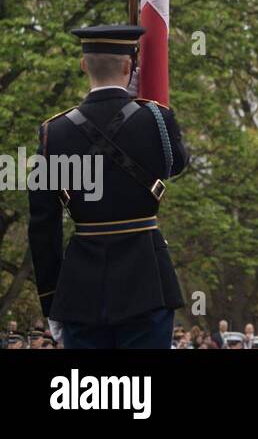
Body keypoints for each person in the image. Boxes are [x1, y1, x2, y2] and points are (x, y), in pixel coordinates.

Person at [27, 24, 189, 350]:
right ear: (129, 68)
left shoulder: (52, 134)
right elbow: (178, 164)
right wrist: (144, 107)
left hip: (79, 290)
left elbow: (42, 226)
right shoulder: (157, 119)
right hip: (148, 281)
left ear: (84, 65)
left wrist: (52, 300)